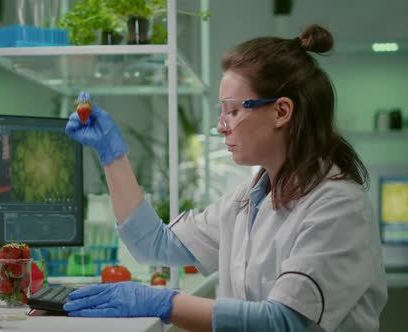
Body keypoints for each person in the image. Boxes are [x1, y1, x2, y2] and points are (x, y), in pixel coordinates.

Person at [63, 25, 387, 332]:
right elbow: (154, 244)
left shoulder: (338, 205)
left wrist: (163, 302)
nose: (221, 125)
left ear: (281, 112)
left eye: (232, 110)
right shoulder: (249, 199)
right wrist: (112, 156)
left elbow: (284, 322)